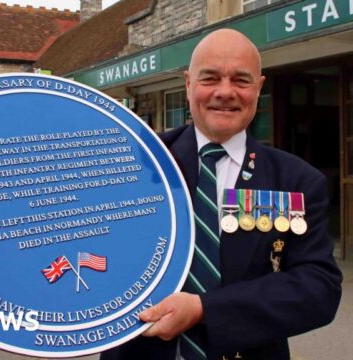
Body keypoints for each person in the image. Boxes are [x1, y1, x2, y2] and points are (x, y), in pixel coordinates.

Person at [101, 28, 342, 360]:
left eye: (241, 81)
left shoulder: (297, 181)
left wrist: (205, 309)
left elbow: (318, 289)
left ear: (259, 87)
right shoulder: (134, 162)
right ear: (188, 84)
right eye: (210, 78)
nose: (225, 92)